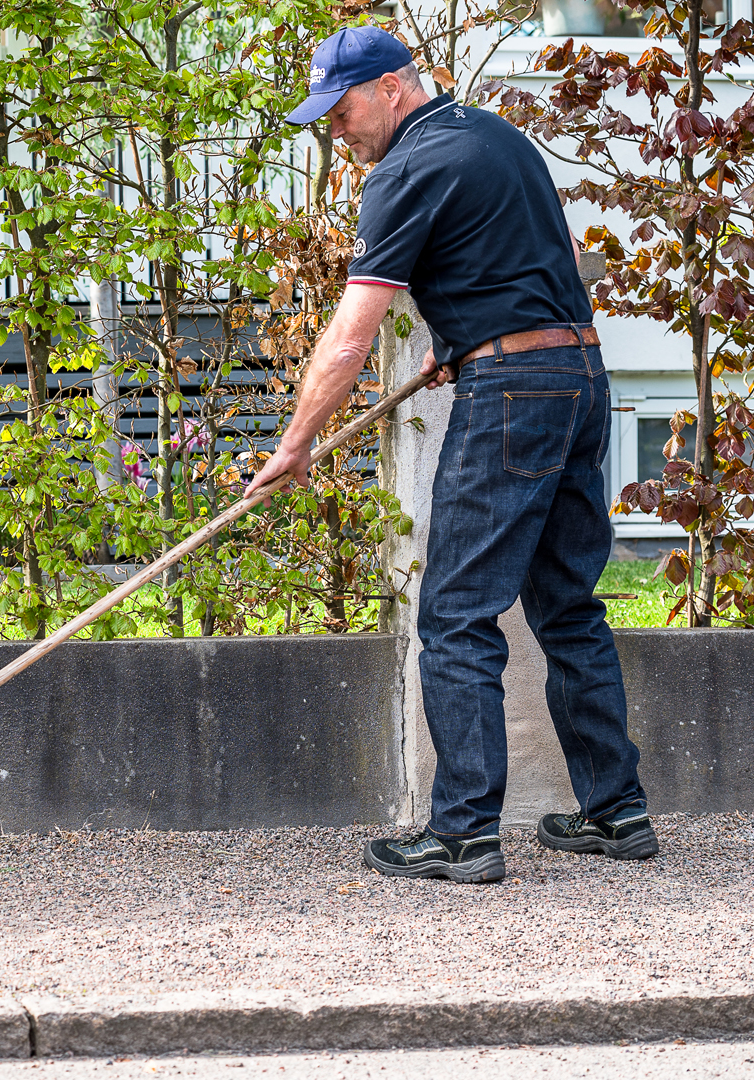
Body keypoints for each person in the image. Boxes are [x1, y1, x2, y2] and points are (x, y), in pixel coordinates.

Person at [244, 26, 657, 884]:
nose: (337, 130)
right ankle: (617, 812)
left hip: (515, 392)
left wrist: (298, 440)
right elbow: (519, 266)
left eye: (344, 108)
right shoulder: (496, 136)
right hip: (578, 374)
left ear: (393, 87)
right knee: (567, 604)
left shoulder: (405, 170)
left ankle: (464, 833)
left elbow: (352, 332)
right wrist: (466, 342)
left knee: (457, 614)